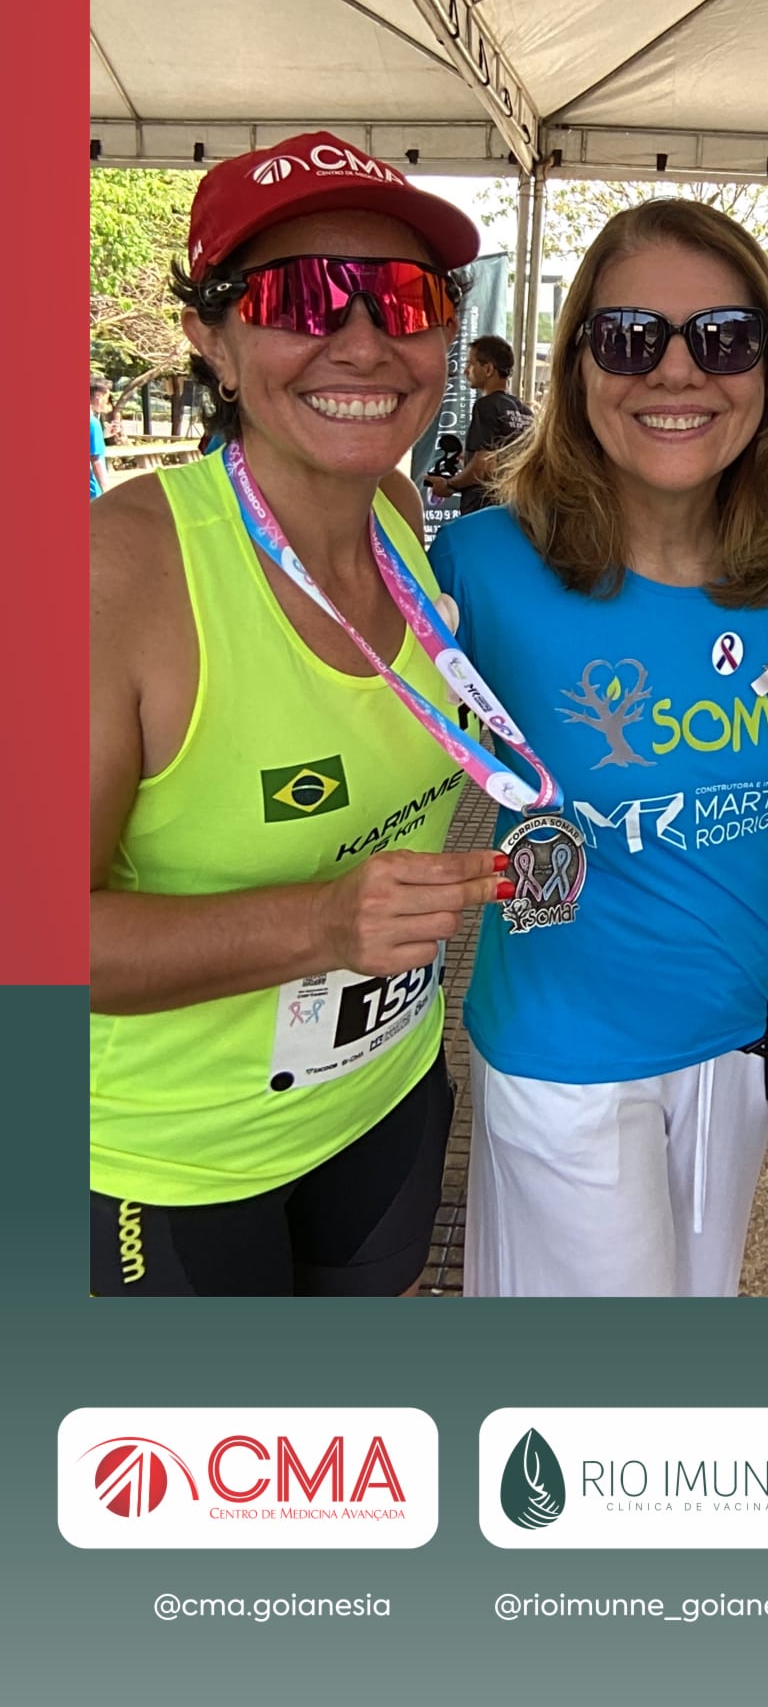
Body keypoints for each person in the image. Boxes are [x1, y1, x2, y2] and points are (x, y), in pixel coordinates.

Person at [90, 130, 518, 1297]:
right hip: (177, 1164)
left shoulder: (394, 515)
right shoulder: (117, 574)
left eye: (405, 298)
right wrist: (321, 923)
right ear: (212, 339)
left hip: (386, 1098)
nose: (364, 341)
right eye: (302, 297)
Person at [429, 197, 768, 1297]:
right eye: (628, 338)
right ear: (576, 367)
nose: (676, 372)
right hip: (565, 1052)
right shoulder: (479, 566)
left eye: (724, 339)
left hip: (746, 1036)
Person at [430, 333, 532, 514]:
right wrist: (469, 457)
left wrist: (449, 485)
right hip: (515, 510)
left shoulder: (486, 406)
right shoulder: (525, 412)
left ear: (488, 369)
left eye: (471, 364)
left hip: (482, 511)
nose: (465, 371)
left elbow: (483, 467)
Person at [90, 375, 111, 498]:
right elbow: (95, 460)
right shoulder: (93, 423)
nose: (107, 402)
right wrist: (106, 492)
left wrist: (104, 435)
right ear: (98, 397)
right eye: (106, 398)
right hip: (92, 490)